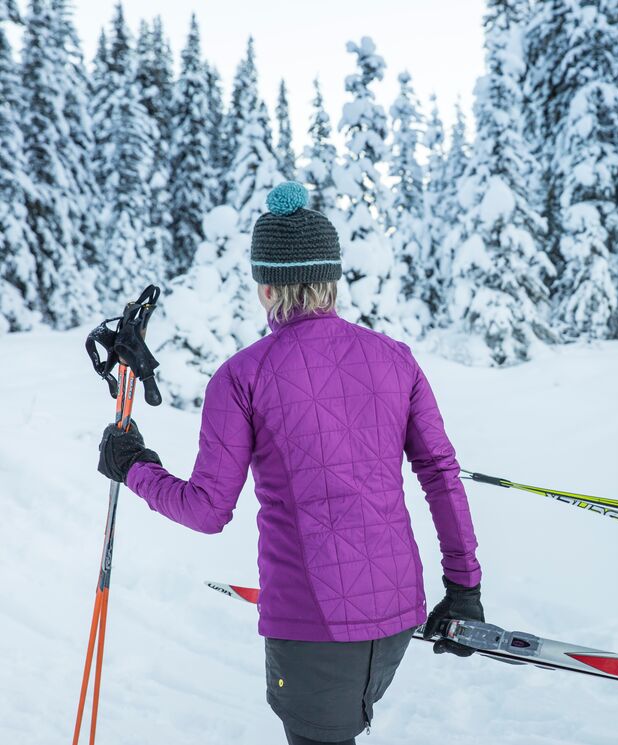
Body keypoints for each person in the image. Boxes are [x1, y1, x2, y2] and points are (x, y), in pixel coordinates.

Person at [97, 181, 485, 745]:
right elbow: (441, 477)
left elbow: (207, 512)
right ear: (332, 277)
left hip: (311, 624)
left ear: (264, 285)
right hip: (401, 611)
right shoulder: (396, 358)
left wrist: (134, 467)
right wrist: (465, 586)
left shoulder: (242, 376)